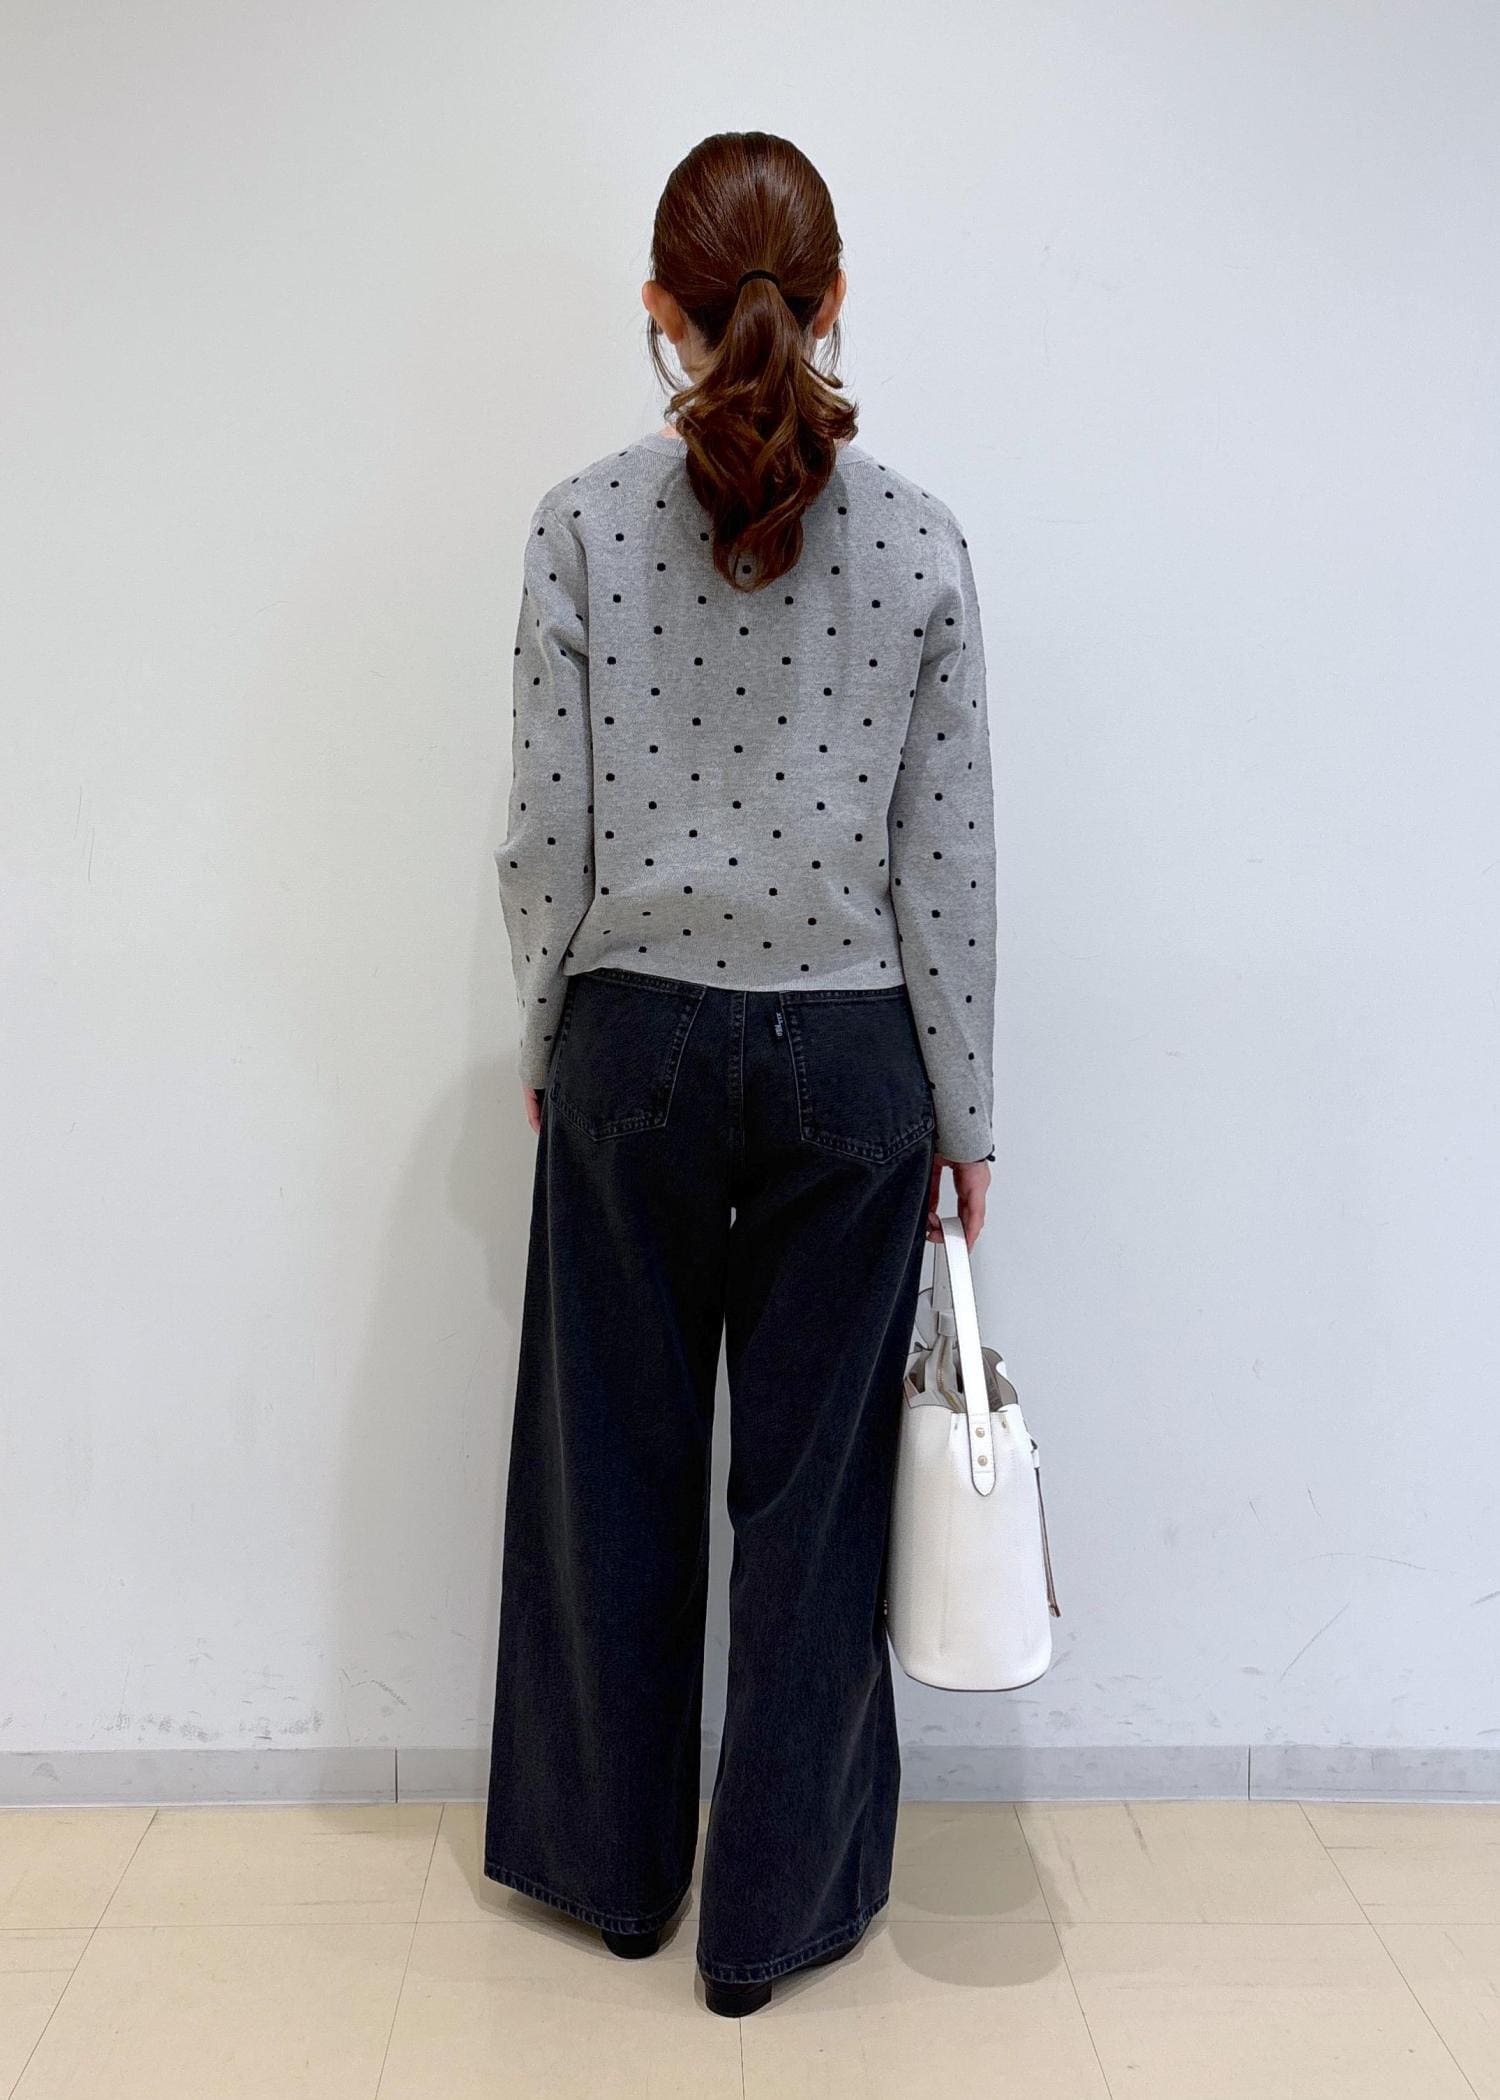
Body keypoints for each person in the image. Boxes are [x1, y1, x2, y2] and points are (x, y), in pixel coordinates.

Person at [483, 130, 997, 2019]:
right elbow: (947, 862)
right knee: (814, 1500)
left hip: (634, 1037)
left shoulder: (577, 526)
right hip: (855, 1053)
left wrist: (554, 1029)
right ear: (834, 299)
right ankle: (765, 1927)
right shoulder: (924, 542)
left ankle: (617, 1879)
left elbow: (542, 835)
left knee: (608, 1469)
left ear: (660, 309)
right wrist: (969, 1114)